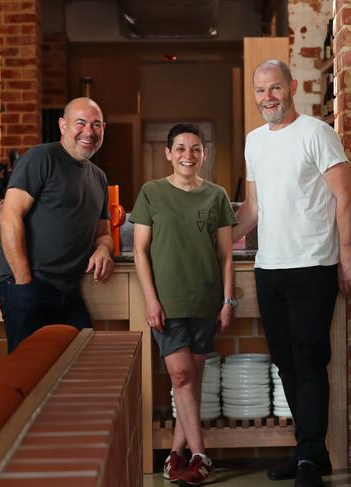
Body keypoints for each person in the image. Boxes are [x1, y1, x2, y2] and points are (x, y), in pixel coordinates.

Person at [233, 60, 351, 487]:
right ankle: (310, 452)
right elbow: (253, 209)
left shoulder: (316, 133)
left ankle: (307, 455)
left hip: (312, 266)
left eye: (275, 88)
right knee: (286, 363)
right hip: (269, 268)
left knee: (308, 361)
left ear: (293, 87)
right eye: (260, 90)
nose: (267, 97)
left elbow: (345, 197)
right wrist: (217, 243)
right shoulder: (253, 142)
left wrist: (347, 257)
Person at [131, 123, 236, 485]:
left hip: (205, 300)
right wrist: (150, 299)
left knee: (188, 383)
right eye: (180, 148)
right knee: (181, 376)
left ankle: (176, 456)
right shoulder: (151, 193)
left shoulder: (217, 196)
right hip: (168, 302)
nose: (188, 155)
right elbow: (140, 251)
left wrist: (227, 301)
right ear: (168, 153)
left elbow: (225, 255)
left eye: (195, 149)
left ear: (204, 154)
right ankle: (201, 455)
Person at [0, 97, 114, 353]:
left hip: (67, 289)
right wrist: (25, 282)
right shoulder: (41, 158)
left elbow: (103, 234)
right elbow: (10, 215)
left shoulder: (98, 177)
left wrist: (103, 249)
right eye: (80, 123)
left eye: (96, 124)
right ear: (62, 125)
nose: (89, 131)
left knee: (80, 361)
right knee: (29, 371)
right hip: (27, 282)